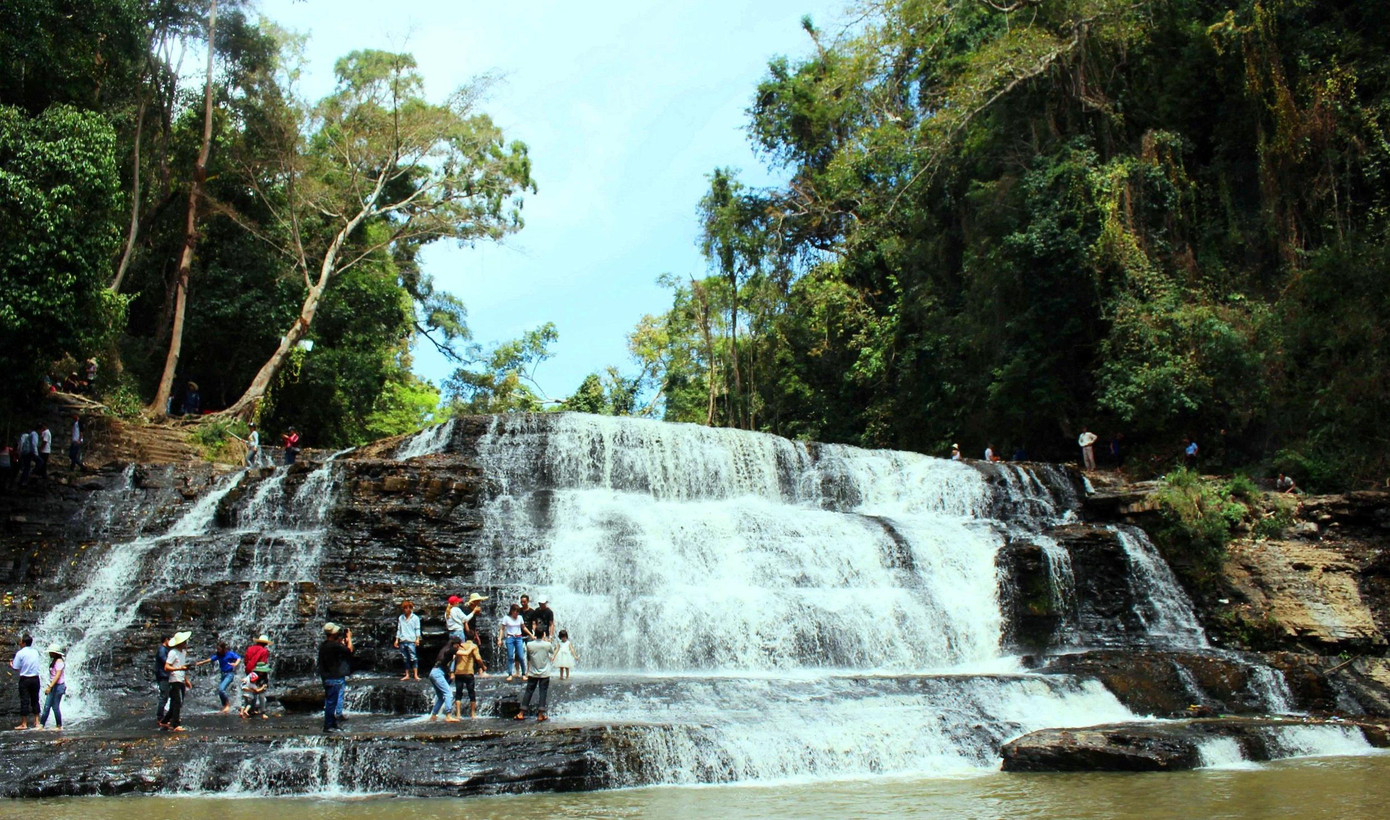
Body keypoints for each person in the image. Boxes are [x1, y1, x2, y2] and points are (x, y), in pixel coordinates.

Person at [318, 622, 353, 734]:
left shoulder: (323, 645)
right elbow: (349, 651)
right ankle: (328, 725)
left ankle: (333, 723)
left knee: (330, 701)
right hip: (334, 678)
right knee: (331, 703)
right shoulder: (334, 646)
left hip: (326, 677)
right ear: (333, 634)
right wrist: (349, 638)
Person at [515, 634, 556, 722]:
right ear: (543, 635)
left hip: (533, 672)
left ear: (535, 634)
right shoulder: (547, 645)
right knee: (543, 692)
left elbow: (529, 656)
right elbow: (552, 652)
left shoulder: (529, 644)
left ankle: (521, 713)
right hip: (544, 673)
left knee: (529, 691)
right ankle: (540, 715)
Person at [11, 634, 42, 730]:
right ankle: (37, 722)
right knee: (35, 700)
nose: (19, 643)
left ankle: (24, 723)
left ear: (24, 643)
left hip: (25, 679)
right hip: (35, 679)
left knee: (24, 700)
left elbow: (16, 667)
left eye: (20, 641)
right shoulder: (36, 652)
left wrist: (11, 664)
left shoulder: (20, 653)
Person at [451, 635, 487, 719]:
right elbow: (478, 658)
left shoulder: (460, 646)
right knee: (471, 693)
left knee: (458, 693)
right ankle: (473, 714)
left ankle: (458, 714)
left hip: (458, 672)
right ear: (474, 638)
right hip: (468, 672)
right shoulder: (473, 646)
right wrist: (482, 666)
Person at [164, 631, 193, 732]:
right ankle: (175, 725)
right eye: (184, 641)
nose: (186, 642)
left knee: (176, 703)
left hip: (181, 679)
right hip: (174, 679)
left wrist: (186, 680)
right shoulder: (173, 652)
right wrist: (179, 668)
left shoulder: (183, 652)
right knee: (177, 702)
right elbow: (166, 666)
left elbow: (183, 666)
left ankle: (165, 721)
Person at [427, 637, 461, 722]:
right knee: (448, 693)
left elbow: (444, 665)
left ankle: (434, 715)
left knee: (441, 697)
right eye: (459, 645)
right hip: (438, 674)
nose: (459, 646)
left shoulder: (445, 650)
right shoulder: (452, 649)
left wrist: (449, 673)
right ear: (456, 644)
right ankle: (448, 715)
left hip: (433, 673)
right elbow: (464, 653)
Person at [38, 644, 66, 730]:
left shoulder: (59, 662)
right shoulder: (55, 660)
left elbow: (57, 676)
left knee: (55, 706)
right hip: (54, 686)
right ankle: (41, 725)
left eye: (51, 652)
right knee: (47, 706)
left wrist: (50, 686)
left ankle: (59, 726)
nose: (49, 653)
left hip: (58, 687)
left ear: (55, 653)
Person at [497, 603, 527, 681]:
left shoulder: (520, 617)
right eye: (515, 611)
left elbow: (523, 627)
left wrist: (531, 634)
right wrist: (499, 639)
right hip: (510, 638)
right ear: (512, 611)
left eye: (518, 612)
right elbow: (502, 629)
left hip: (519, 638)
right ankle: (510, 674)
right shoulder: (506, 618)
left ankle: (523, 673)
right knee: (510, 656)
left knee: (521, 656)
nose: (516, 613)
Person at [209, 640, 241, 713]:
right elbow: (210, 659)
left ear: (223, 648)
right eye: (217, 649)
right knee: (220, 691)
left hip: (229, 674)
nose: (218, 650)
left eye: (219, 649)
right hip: (223, 674)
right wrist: (198, 663)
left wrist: (235, 664)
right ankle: (224, 705)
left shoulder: (230, 654)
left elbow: (238, 658)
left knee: (221, 689)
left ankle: (227, 705)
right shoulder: (219, 655)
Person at [395, 600, 422, 681]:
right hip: (403, 640)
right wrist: (397, 640)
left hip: (411, 641)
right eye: (404, 608)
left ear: (410, 608)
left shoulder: (415, 618)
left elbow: (417, 629)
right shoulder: (401, 618)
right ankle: (407, 675)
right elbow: (399, 629)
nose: (405, 610)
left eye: (406, 608)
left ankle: (416, 675)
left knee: (413, 658)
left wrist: (417, 639)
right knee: (405, 658)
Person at [154, 635, 173, 727]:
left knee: (167, 696)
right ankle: (160, 718)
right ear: (166, 639)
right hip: (163, 676)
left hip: (165, 675)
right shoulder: (162, 649)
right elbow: (165, 661)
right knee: (164, 696)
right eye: (170, 639)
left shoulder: (165, 649)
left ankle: (166, 717)